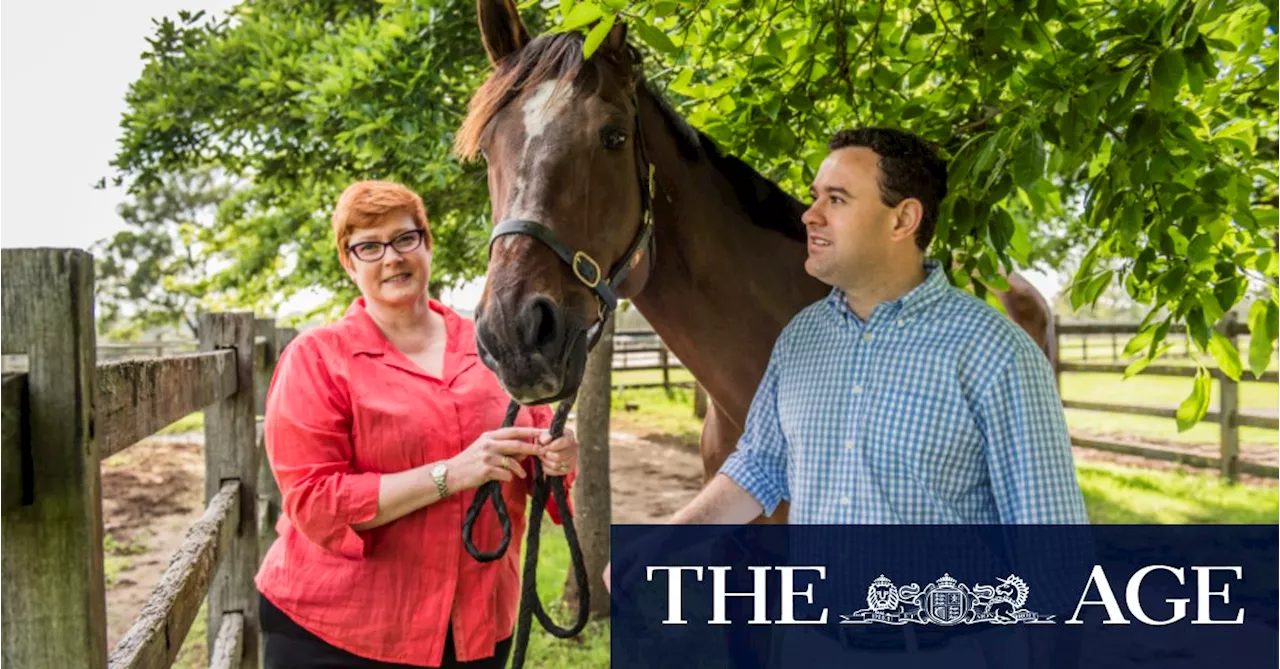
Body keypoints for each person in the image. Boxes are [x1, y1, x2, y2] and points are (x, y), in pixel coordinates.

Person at [604, 125, 1087, 574]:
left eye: (836, 199)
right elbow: (760, 467)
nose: (809, 215)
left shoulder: (996, 353)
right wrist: (658, 544)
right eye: (815, 197)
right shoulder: (801, 339)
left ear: (903, 219)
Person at [255, 180, 579, 669]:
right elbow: (315, 501)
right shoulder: (317, 358)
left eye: (405, 239)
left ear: (426, 243)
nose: (392, 258)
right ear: (349, 262)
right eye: (369, 246)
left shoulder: (494, 346)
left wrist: (556, 456)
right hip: (339, 632)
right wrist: (452, 473)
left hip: (475, 626)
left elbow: (536, 462)